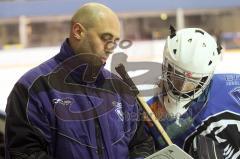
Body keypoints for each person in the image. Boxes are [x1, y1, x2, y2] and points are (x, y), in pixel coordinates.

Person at [5, 3, 154, 159]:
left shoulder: (120, 89)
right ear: (78, 32)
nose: (111, 48)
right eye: (105, 38)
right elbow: (24, 153)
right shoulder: (32, 89)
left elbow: (141, 143)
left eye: (115, 41)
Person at [146, 27, 240, 158]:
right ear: (165, 66)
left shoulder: (235, 87)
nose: (182, 87)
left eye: (193, 81)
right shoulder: (151, 113)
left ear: (207, 77)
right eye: (177, 76)